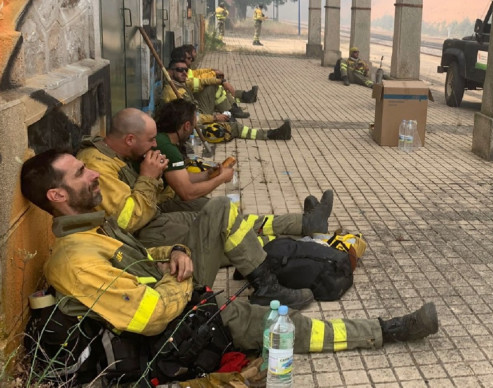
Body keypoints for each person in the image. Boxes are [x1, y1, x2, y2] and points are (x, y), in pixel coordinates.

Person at [20, 149, 438, 376]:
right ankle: (387, 331)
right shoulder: (74, 259)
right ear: (57, 196)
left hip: (180, 301)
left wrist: (177, 255)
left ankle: (282, 262)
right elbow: (150, 317)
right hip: (168, 330)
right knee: (280, 328)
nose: (92, 175)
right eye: (79, 174)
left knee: (223, 216)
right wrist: (185, 284)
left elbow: (144, 258)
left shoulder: (91, 229)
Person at [75, 109, 318, 285]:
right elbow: (128, 221)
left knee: (227, 221)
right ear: (129, 139)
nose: (154, 144)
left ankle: (301, 225)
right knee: (221, 232)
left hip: (156, 219)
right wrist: (149, 177)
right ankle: (295, 249)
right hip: (146, 235)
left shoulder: (119, 155)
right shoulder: (98, 164)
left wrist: (163, 177)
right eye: (150, 140)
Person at [162, 59, 291, 141]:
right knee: (233, 128)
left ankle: (231, 110)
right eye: (180, 70)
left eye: (186, 70)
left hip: (196, 112)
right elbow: (192, 119)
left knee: (211, 87)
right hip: (191, 129)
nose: (185, 73)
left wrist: (222, 82)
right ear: (170, 72)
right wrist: (215, 118)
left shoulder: (181, 84)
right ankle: (270, 134)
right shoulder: (172, 93)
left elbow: (202, 81)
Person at [169, 46, 254, 119]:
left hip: (197, 105)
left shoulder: (185, 71)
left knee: (218, 87)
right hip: (197, 111)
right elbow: (200, 80)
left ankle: (237, 102)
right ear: (181, 60)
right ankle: (233, 107)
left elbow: (198, 73)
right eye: (189, 58)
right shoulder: (180, 77)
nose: (191, 59)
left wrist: (211, 70)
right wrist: (217, 78)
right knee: (215, 86)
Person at [179, 44, 259, 105]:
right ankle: (240, 100)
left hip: (198, 91)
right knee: (218, 88)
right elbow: (198, 79)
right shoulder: (182, 71)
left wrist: (211, 70)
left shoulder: (185, 68)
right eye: (194, 52)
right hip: (197, 95)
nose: (195, 54)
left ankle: (245, 96)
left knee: (222, 88)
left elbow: (197, 73)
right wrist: (214, 75)